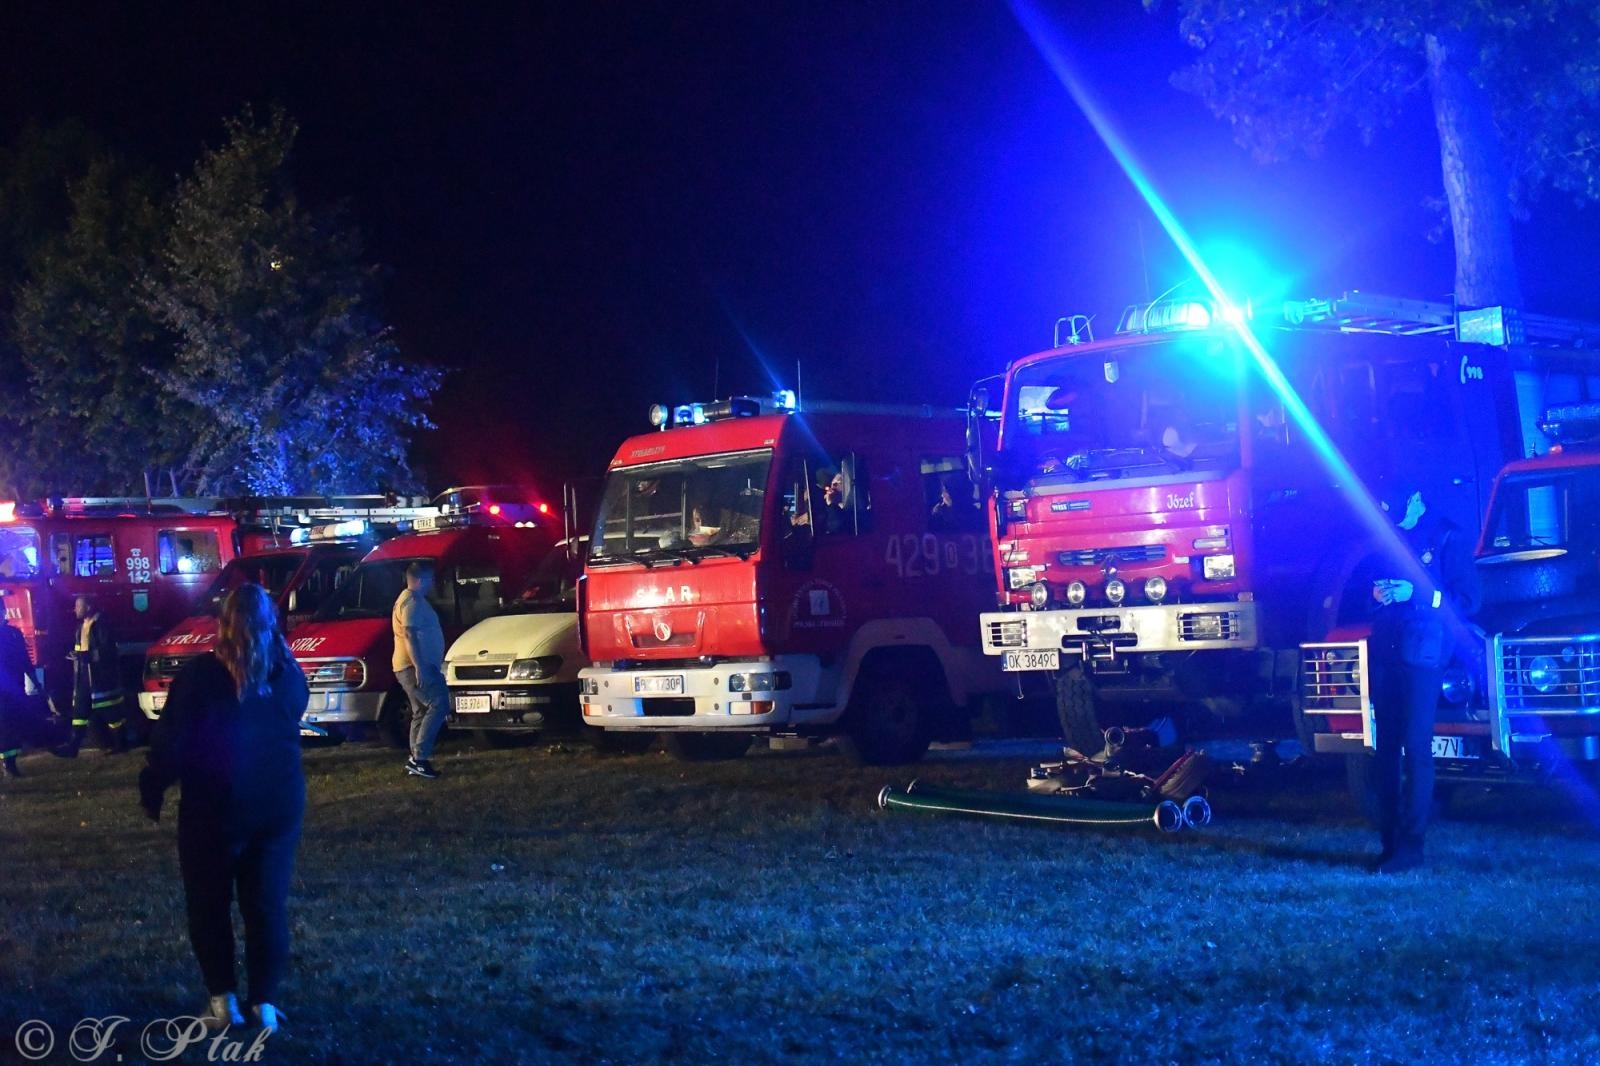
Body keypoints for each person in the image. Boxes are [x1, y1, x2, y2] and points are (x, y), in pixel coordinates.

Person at [138, 583, 308, 1034]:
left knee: (209, 903)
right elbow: (290, 718)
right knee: (266, 905)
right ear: (271, 621)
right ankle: (265, 1003)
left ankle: (223, 1001)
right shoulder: (288, 674)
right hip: (277, 804)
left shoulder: (200, 676)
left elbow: (172, 740)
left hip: (213, 806)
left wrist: (153, 785)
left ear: (223, 623)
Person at [1367, 482, 1480, 874]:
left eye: (1397, 499)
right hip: (1387, 652)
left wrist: (1417, 593)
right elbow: (1365, 590)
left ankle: (1412, 846)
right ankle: (1389, 841)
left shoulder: (1447, 535)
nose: (1389, 506)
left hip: (1424, 655)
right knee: (1385, 751)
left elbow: (1467, 600)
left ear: (1418, 497)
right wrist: (1377, 595)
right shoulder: (1387, 536)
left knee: (1416, 748)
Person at [393, 560, 449, 779]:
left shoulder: (407, 600)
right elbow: (410, 633)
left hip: (409, 665)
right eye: (430, 579)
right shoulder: (412, 601)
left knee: (421, 711)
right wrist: (420, 667)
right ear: (419, 580)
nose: (432, 584)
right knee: (439, 704)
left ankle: (416, 759)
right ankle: (420, 758)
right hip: (416, 666)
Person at [53, 595, 127, 756]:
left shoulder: (102, 625)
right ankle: (73, 747)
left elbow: (108, 651)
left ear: (88, 607)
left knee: (110, 710)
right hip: (84, 676)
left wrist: (88, 656)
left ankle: (121, 743)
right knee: (79, 711)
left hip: (101, 677)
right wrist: (77, 655)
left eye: (78, 606)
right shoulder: (81, 627)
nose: (75, 610)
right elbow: (81, 649)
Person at [1, 612, 38, 778]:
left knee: (12, 726)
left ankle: (10, 764)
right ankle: (8, 765)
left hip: (14, 688)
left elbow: (25, 660)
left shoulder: (14, 633)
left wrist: (36, 682)